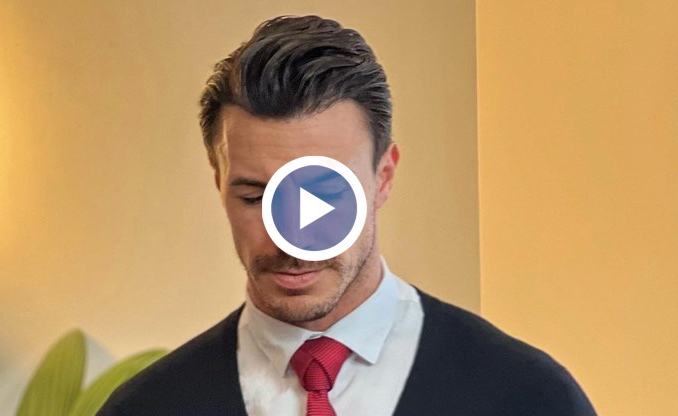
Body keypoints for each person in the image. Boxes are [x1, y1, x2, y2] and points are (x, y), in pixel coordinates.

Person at [97, 15, 596, 416]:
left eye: (322, 192)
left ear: (384, 177)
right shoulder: (145, 408)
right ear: (218, 183)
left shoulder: (528, 396)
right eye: (256, 197)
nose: (291, 237)